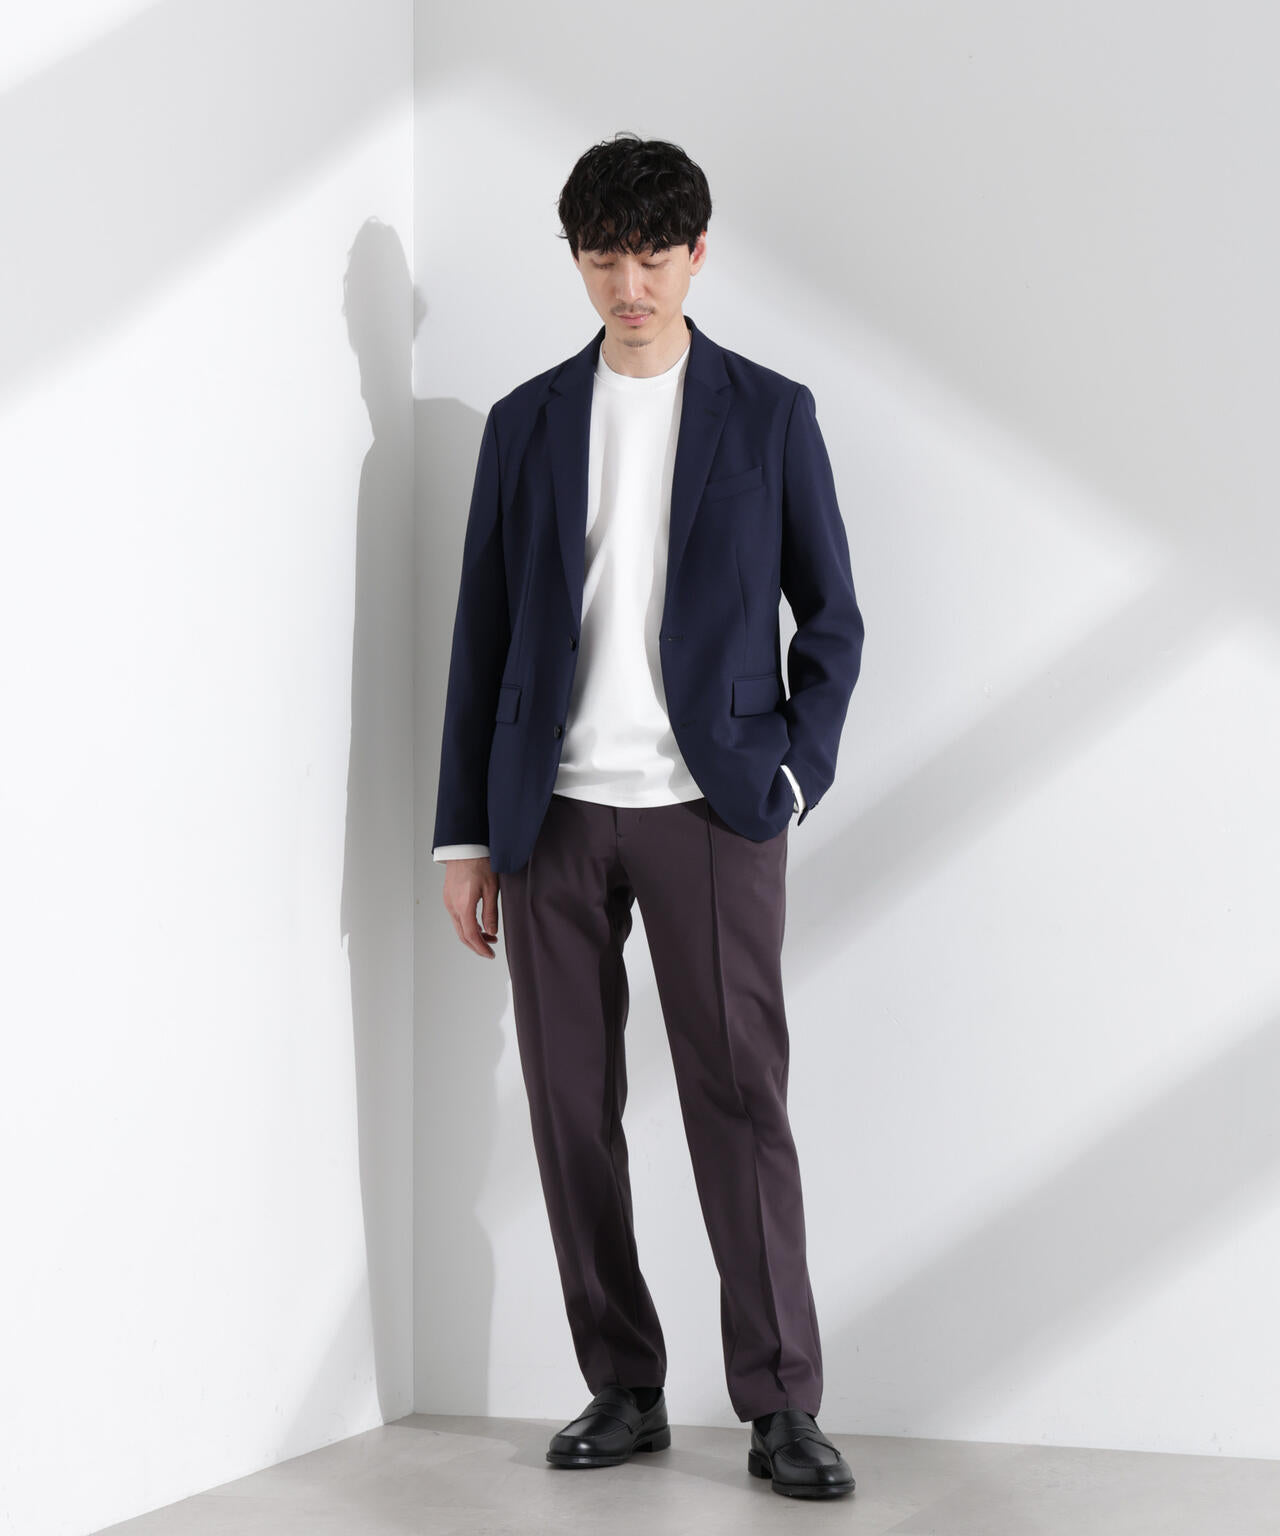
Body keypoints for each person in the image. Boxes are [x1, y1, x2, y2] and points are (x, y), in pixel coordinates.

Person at [432, 132, 864, 1500]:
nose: (632, 284)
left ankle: (782, 1404)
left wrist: (791, 775)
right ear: (577, 260)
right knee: (570, 1107)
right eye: (606, 257)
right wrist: (463, 836)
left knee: (740, 1103)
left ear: (697, 253)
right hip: (551, 813)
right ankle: (623, 1384)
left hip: (712, 811)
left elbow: (832, 621)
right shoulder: (525, 424)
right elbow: (482, 636)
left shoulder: (771, 413)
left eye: (656, 256)